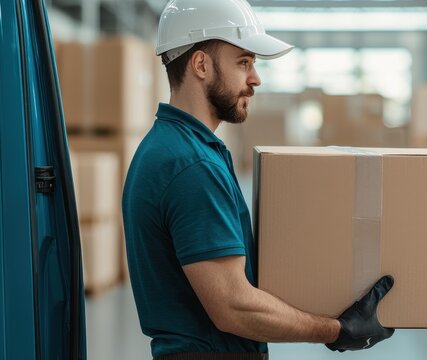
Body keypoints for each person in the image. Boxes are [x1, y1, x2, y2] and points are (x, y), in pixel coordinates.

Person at [122, 1, 395, 359]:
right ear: (201, 64)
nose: (256, 79)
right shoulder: (191, 165)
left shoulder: (171, 146)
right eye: (244, 62)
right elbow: (234, 307)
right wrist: (338, 330)